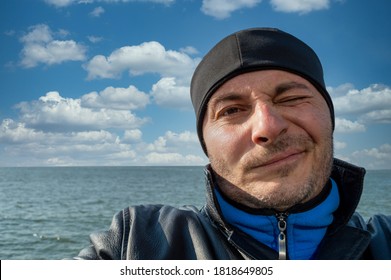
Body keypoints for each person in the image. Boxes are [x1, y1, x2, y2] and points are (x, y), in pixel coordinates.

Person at [76, 27, 391, 260]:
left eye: (293, 98)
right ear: (206, 146)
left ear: (330, 119)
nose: (267, 127)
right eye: (231, 111)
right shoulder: (136, 243)